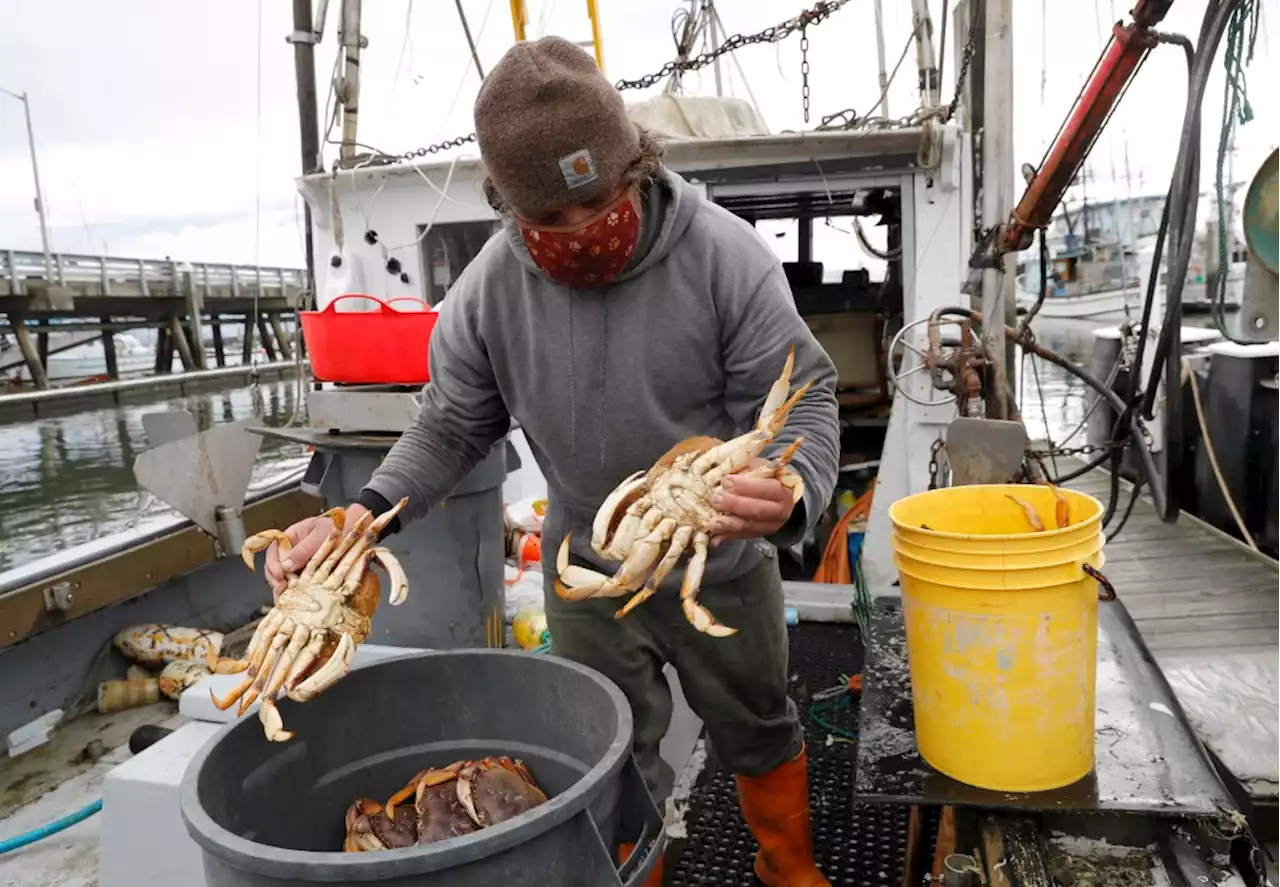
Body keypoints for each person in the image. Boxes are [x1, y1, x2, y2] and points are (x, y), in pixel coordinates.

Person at [265, 36, 840, 887]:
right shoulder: (488, 294)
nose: (579, 232)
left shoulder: (726, 257)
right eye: (549, 221)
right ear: (506, 205)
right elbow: (452, 425)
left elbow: (806, 396)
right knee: (605, 748)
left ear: (634, 166)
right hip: (582, 569)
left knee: (758, 720)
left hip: (718, 558)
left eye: (597, 201)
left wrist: (792, 487)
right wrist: (365, 511)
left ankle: (788, 866)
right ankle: (634, 872)